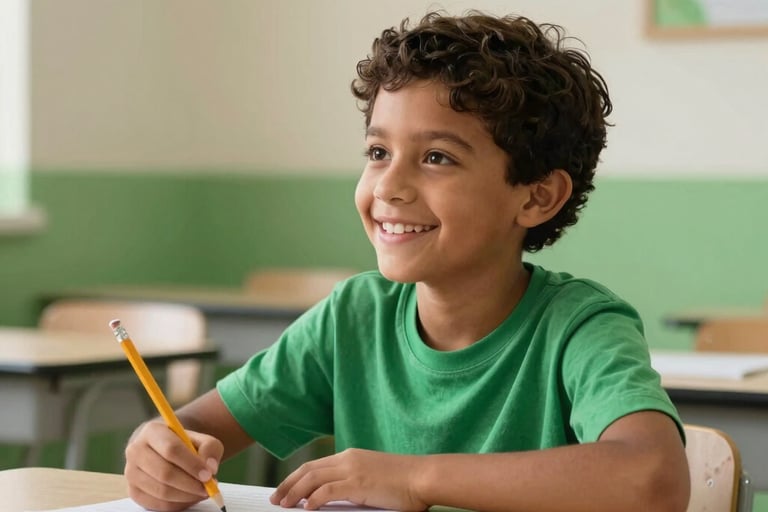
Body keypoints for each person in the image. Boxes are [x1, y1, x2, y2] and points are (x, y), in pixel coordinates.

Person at [124, 11, 690, 512]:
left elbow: (653, 480)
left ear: (537, 196)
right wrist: (162, 451)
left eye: (437, 157)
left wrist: (415, 478)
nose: (389, 186)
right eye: (377, 152)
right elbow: (193, 426)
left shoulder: (580, 327)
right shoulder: (354, 315)